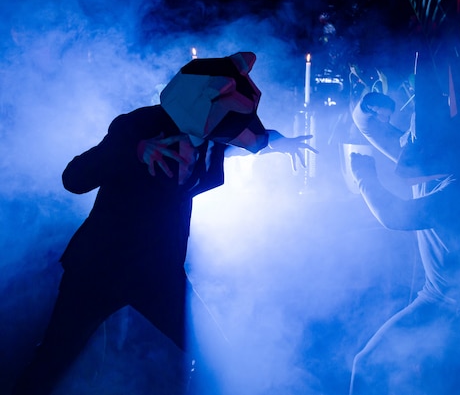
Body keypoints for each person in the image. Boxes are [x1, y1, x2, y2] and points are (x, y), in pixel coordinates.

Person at [11, 52, 316, 395]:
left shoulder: (214, 136)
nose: (240, 129)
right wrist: (134, 151)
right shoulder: (139, 125)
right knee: (53, 360)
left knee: (211, 352)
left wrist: (279, 142)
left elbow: (248, 138)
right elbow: (74, 178)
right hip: (99, 270)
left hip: (158, 273)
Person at [347, 91, 460, 395]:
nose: (402, 142)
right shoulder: (427, 164)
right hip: (435, 297)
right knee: (366, 363)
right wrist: (370, 105)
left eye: (410, 140)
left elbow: (396, 217)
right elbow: (366, 125)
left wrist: (366, 178)